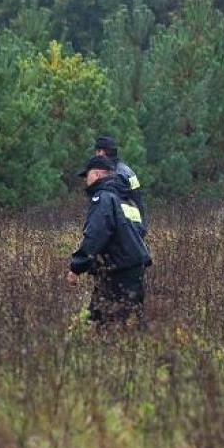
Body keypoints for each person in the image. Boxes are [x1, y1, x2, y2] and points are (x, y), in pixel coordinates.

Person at [67, 155, 152, 326]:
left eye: (87, 175)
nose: (85, 180)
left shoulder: (103, 197)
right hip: (133, 269)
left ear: (97, 174)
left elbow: (96, 234)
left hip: (117, 272)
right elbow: (140, 229)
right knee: (129, 323)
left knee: (102, 323)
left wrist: (76, 266)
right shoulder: (125, 199)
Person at [94, 136, 147, 237]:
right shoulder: (128, 171)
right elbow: (138, 200)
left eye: (98, 151)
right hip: (136, 227)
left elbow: (111, 208)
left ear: (104, 152)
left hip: (123, 231)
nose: (96, 154)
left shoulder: (114, 175)